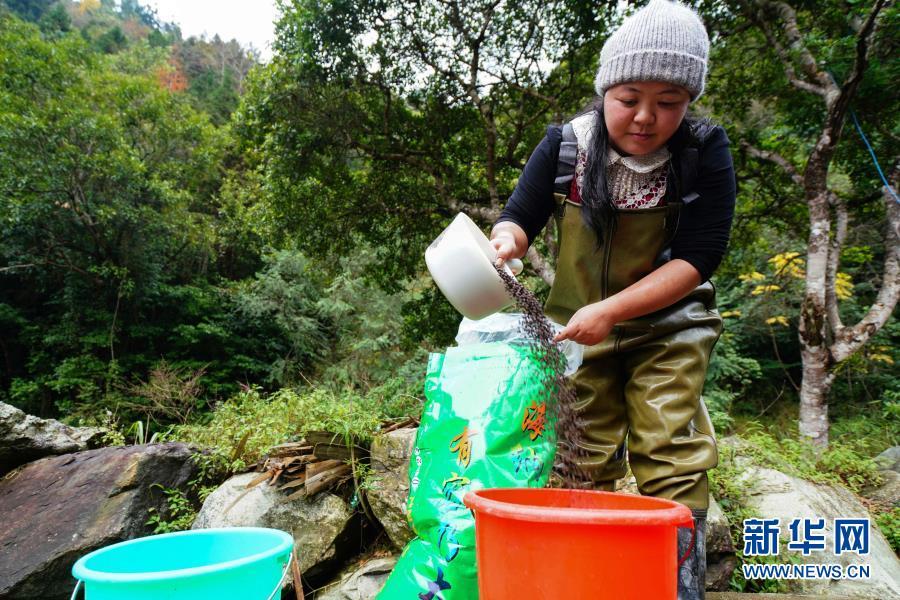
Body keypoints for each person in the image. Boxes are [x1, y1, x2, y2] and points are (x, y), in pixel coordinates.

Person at [490, 1, 736, 598]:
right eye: (629, 97)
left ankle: (679, 583)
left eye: (669, 101)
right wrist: (504, 243)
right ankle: (583, 579)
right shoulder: (566, 147)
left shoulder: (703, 153)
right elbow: (519, 218)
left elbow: (698, 258)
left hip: (670, 327)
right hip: (576, 333)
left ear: (689, 101)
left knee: (669, 446)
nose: (648, 117)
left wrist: (612, 310)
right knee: (582, 454)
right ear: (605, 89)